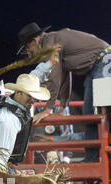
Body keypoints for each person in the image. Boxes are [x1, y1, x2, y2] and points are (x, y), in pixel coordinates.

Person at [17, 22, 111, 162]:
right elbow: (65, 75)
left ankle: (98, 157)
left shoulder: (50, 44)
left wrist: (48, 108)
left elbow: (54, 77)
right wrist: (62, 105)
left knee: (103, 111)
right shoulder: (54, 41)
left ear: (35, 41)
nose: (29, 52)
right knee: (90, 113)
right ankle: (92, 158)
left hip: (105, 64)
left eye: (27, 47)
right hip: (98, 67)